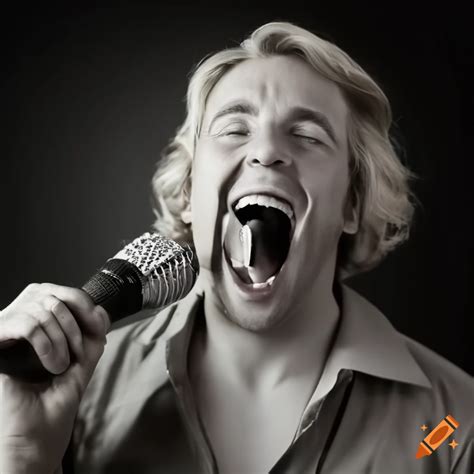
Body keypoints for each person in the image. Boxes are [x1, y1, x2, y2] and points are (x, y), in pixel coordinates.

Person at [0, 21, 473, 474]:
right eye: (234, 129)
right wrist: (22, 458)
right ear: (189, 191)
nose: (266, 151)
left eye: (308, 135)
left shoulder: (455, 421)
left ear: (351, 203)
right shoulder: (71, 392)